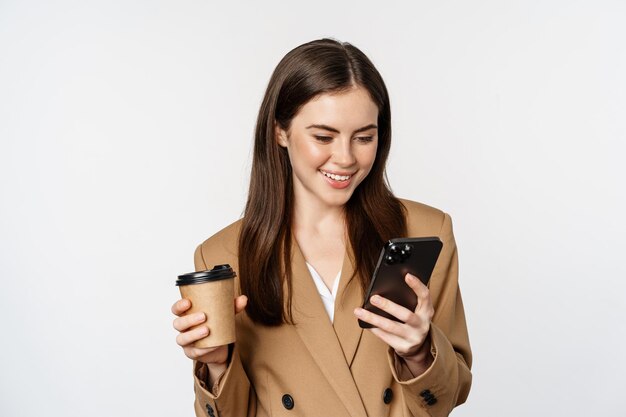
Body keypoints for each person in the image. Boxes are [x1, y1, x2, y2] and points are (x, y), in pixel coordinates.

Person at [171, 38, 472, 417]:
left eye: (364, 137)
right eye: (323, 137)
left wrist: (418, 351)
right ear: (280, 131)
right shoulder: (223, 255)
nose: (346, 158)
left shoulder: (425, 231)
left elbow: (449, 396)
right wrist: (216, 364)